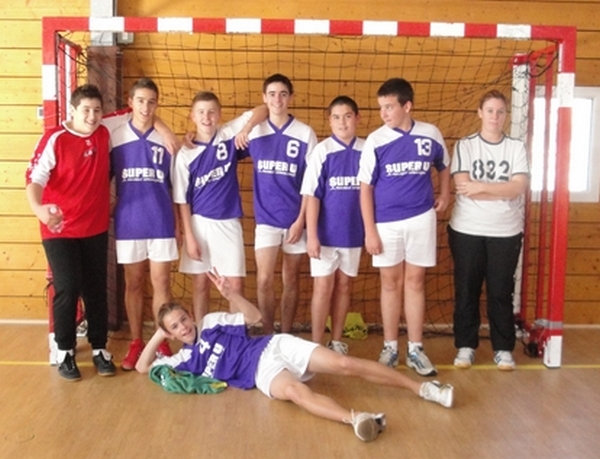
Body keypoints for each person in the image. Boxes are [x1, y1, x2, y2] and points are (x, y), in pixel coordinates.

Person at [135, 269, 454, 443]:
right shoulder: (181, 361)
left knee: (344, 364)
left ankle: (424, 389)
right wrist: (159, 334)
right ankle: (357, 419)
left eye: (183, 319)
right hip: (260, 374)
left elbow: (255, 317)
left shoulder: (210, 323)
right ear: (171, 334)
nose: (183, 327)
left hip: (272, 346)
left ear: (191, 316)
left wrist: (232, 295)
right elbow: (141, 367)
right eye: (175, 327)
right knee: (296, 393)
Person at [358, 78, 450, 376]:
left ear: (407, 106)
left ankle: (415, 349)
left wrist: (445, 193)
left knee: (415, 281)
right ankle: (390, 347)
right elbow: (365, 188)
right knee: (390, 283)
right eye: (380, 107)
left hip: (421, 218)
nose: (383, 113)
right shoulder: (375, 140)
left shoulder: (430, 134)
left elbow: (443, 165)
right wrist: (370, 230)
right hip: (386, 223)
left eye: (389, 107)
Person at [25, 84, 116, 381]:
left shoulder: (105, 132)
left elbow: (137, 112)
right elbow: (35, 178)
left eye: (97, 110)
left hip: (95, 227)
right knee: (67, 286)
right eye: (86, 110)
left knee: (96, 288)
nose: (92, 116)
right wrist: (39, 209)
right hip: (59, 228)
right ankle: (64, 350)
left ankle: (100, 348)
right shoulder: (55, 139)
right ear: (73, 110)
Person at [448, 90, 529, 371]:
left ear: (506, 115)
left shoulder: (516, 147)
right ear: (480, 113)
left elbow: (518, 187)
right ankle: (465, 346)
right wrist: (501, 190)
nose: (495, 116)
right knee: (466, 289)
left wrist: (481, 187)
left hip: (506, 231)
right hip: (467, 229)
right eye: (490, 110)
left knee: (500, 291)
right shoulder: (466, 145)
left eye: (500, 111)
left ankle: (503, 349)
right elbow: (463, 187)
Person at [173, 91, 268, 321]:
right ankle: (202, 335)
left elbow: (264, 110)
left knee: (235, 286)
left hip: (228, 222)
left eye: (211, 112)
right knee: (200, 284)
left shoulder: (228, 134)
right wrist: (189, 237)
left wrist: (246, 129)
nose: (206, 117)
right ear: (192, 116)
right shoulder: (185, 154)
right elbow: (182, 200)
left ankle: (236, 334)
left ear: (219, 114)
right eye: (201, 112)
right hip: (199, 224)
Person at [109, 78, 178, 370]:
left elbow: (176, 186)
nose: (146, 107)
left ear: (157, 104)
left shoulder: (167, 140)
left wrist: (179, 224)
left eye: (151, 102)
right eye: (140, 101)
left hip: (161, 221)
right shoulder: (115, 136)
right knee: (134, 282)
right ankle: (137, 342)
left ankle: (161, 341)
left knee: (162, 282)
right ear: (130, 102)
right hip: (129, 222)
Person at [245, 73, 318, 334]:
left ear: (291, 98)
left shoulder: (305, 133)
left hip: (295, 220)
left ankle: (285, 335)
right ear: (264, 98)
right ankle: (268, 333)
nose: (278, 100)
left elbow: (311, 184)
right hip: (266, 220)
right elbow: (221, 144)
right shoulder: (254, 131)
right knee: (264, 280)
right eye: (272, 94)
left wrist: (301, 221)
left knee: (291, 280)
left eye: (283, 94)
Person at [300, 96, 365, 354]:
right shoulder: (322, 151)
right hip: (325, 234)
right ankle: (316, 345)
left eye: (347, 116)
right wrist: (312, 235)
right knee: (323, 288)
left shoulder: (367, 150)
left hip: (353, 233)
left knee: (345, 286)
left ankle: (336, 340)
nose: (342, 122)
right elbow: (312, 196)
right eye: (336, 117)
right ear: (329, 121)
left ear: (357, 118)